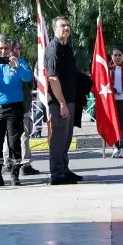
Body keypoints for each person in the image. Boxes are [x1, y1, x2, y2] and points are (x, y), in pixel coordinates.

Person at [0, 35, 35, 185]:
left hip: (14, 108)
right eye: (1, 49)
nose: (4, 52)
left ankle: (15, 174)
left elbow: (28, 77)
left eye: (6, 49)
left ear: (11, 49)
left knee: (14, 142)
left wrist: (17, 66)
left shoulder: (18, 62)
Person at [44, 16, 82, 185]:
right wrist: (61, 103)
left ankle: (64, 170)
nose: (66, 28)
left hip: (70, 99)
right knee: (59, 139)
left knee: (66, 138)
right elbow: (52, 77)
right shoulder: (54, 49)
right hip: (60, 102)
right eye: (62, 26)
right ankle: (57, 174)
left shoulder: (66, 47)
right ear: (55, 29)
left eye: (68, 25)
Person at [12, 40, 41, 175]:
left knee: (25, 134)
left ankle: (25, 164)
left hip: (24, 105)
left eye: (18, 48)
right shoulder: (3, 64)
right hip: (12, 106)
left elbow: (29, 80)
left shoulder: (22, 63)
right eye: (14, 49)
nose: (16, 51)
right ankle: (15, 163)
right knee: (14, 136)